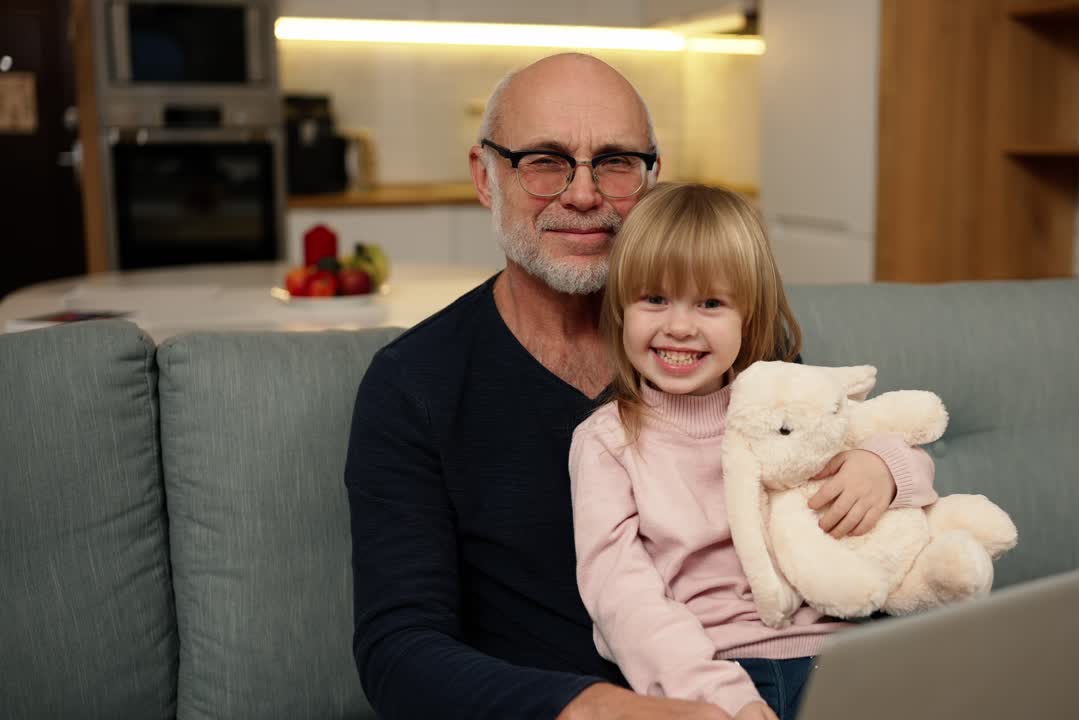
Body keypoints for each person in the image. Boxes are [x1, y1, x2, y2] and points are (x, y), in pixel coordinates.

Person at [345, 53, 923, 720]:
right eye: (543, 160)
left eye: (616, 161)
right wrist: (592, 709)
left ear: (652, 178)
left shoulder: (735, 353)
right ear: (485, 177)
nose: (584, 194)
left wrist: (881, 469)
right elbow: (398, 652)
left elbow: (840, 491)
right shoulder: (415, 383)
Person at [567, 183, 939, 720]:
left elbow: (903, 453)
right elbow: (622, 600)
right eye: (654, 298)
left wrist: (885, 468)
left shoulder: (784, 398)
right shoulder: (608, 444)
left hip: (852, 651)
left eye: (711, 303)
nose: (679, 325)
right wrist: (721, 696)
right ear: (620, 309)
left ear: (749, 316)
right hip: (725, 674)